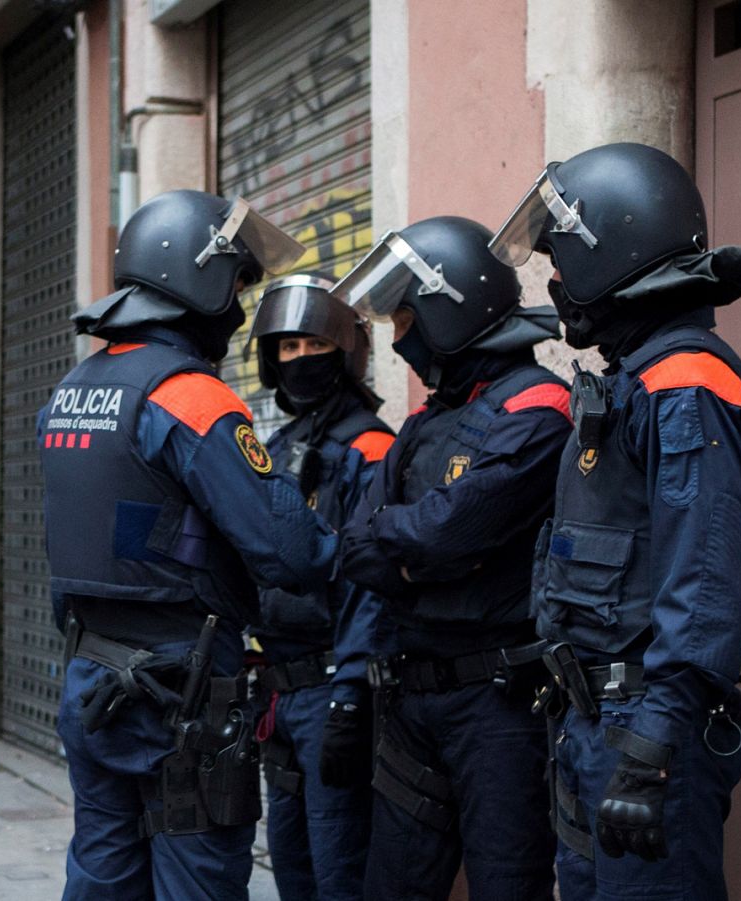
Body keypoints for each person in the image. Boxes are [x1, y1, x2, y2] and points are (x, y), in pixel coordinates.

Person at [42, 189, 338, 899]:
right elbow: (289, 551)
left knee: (102, 873)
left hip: (93, 675)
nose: (238, 308)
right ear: (198, 279)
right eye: (236, 284)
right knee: (196, 883)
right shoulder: (189, 395)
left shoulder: (74, 388)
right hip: (184, 692)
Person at [489, 142, 741, 900]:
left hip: (647, 730)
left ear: (618, 251)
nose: (554, 280)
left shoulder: (686, 381)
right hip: (593, 725)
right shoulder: (634, 379)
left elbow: (702, 582)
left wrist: (653, 742)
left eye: (563, 256)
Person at [334, 216, 570, 900]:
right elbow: (355, 545)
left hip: (497, 705)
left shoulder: (538, 407)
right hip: (409, 697)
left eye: (407, 314)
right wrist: (420, 551)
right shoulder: (422, 422)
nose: (400, 334)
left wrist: (413, 548)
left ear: (450, 303)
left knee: (506, 883)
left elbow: (447, 530)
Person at [243, 274, 392, 900]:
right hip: (279, 695)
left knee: (341, 873)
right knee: (293, 869)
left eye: (313, 344)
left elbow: (373, 586)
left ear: (346, 348)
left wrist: (351, 695)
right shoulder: (273, 448)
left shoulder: (372, 448)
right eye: (287, 349)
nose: (301, 360)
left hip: (333, 689)